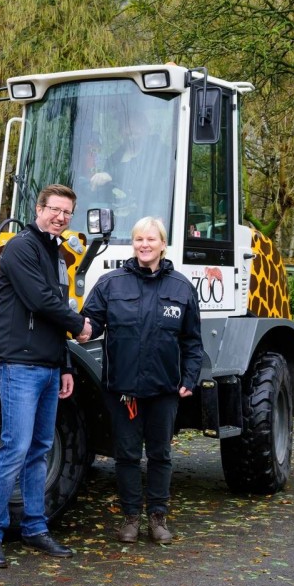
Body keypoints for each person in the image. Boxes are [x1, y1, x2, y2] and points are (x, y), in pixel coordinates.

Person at [0, 184, 93, 569]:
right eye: (54, 209)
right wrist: (80, 325)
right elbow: (41, 301)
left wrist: (65, 366)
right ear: (38, 208)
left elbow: (54, 309)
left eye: (67, 212)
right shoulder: (22, 248)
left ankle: (34, 528)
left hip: (47, 366)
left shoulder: (56, 253)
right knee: (15, 448)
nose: (60, 217)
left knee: (40, 450)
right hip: (19, 364)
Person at [81, 216, 202, 544]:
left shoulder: (180, 287)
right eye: (138, 240)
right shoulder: (111, 284)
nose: (144, 245)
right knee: (127, 455)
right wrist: (76, 327)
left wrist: (190, 379)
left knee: (160, 454)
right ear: (132, 244)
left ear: (163, 244)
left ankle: (158, 518)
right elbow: (89, 322)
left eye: (151, 239)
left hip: (164, 390)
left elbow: (192, 341)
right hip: (123, 391)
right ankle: (131, 518)